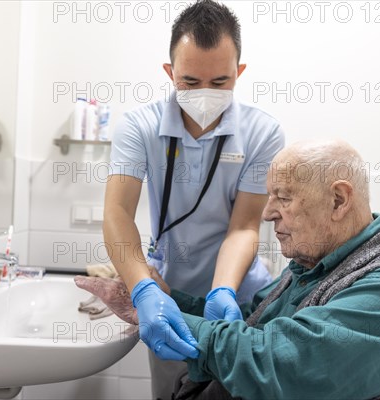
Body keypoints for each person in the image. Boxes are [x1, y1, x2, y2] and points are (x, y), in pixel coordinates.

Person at [80, 140, 380, 399]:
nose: (268, 212)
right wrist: (166, 300)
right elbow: (251, 321)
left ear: (338, 200)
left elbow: (285, 362)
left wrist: (169, 320)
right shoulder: (312, 264)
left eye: (284, 197)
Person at [103, 1, 285, 396]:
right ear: (169, 72)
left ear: (239, 73)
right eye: (189, 81)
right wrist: (143, 289)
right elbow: (117, 212)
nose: (205, 93)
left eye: (220, 82)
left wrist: (223, 291)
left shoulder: (262, 132)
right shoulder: (140, 126)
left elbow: (244, 226)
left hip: (242, 298)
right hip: (168, 300)